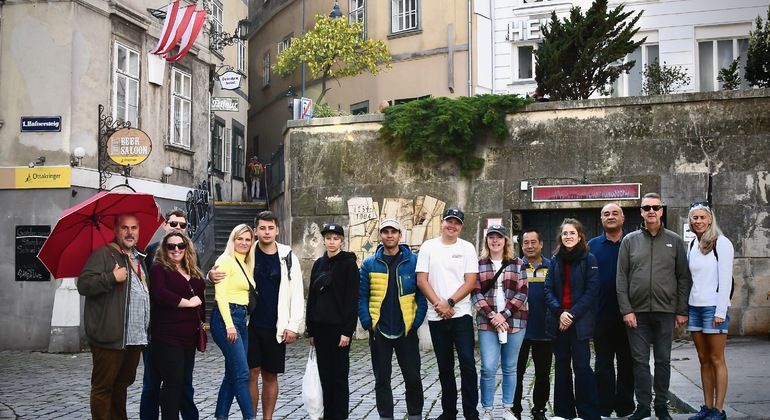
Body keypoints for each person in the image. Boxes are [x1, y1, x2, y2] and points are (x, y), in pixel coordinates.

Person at [617, 192, 692, 420]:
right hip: (636, 314)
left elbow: (683, 277)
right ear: (641, 212)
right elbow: (621, 277)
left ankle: (661, 405)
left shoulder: (675, 240)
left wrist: (681, 310)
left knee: (663, 360)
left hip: (665, 312)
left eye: (655, 207)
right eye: (646, 207)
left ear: (661, 211)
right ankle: (642, 406)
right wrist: (626, 310)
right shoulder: (630, 241)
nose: (651, 211)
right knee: (639, 361)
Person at [77, 214, 149, 420]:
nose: (129, 232)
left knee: (121, 386)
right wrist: (111, 277)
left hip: (134, 337)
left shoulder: (138, 257)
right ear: (116, 231)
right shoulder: (103, 255)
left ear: (139, 231)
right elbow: (84, 285)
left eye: (134, 228)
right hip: (110, 336)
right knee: (103, 388)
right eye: (124, 228)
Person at [359, 219, 427, 420]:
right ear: (380, 235)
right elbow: (362, 295)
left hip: (406, 329)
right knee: (382, 379)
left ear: (400, 235)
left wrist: (416, 322)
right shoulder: (369, 263)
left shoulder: (413, 261)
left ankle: (415, 414)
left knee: (413, 377)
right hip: (380, 330)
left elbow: (421, 294)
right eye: (385, 232)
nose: (389, 235)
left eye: (393, 232)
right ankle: (385, 416)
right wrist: (367, 322)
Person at [416, 207, 480, 420]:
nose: (452, 226)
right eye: (449, 221)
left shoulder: (467, 247)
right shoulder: (428, 247)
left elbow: (470, 281)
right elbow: (421, 280)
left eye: (457, 223)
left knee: (468, 364)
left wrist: (450, 302)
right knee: (445, 367)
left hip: (461, 315)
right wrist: (438, 304)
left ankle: (471, 412)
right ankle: (448, 412)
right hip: (437, 316)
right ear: (442, 222)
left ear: (461, 226)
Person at [141, 209, 200, 420]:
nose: (177, 228)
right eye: (173, 223)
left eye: (182, 225)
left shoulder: (191, 255)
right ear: (165, 225)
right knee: (152, 384)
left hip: (185, 333)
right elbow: (155, 292)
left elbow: (198, 286)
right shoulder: (152, 253)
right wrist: (186, 302)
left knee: (183, 383)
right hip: (157, 330)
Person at [245, 211, 304, 419]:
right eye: (262, 228)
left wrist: (293, 325)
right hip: (250, 324)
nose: (266, 232)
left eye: (270, 228)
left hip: (276, 325)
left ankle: (267, 418)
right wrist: (210, 275)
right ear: (255, 231)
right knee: (250, 374)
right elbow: (223, 266)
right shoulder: (246, 252)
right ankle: (250, 416)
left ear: (277, 231)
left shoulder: (287, 256)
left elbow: (297, 292)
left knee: (270, 375)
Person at [544, 218, 600, 420]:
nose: (568, 237)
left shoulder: (588, 259)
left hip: (579, 323)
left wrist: (572, 315)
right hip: (558, 322)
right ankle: (563, 412)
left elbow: (591, 291)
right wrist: (560, 313)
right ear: (561, 236)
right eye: (565, 233)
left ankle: (588, 413)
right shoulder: (555, 260)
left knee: (582, 367)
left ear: (579, 236)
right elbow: (548, 289)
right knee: (561, 366)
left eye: (572, 233)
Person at [471, 225, 528, 420]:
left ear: (505, 241)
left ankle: (507, 408)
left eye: (499, 237)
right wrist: (492, 316)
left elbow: (523, 292)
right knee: (488, 366)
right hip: (488, 323)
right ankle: (487, 409)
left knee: (510, 367)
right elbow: (475, 293)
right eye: (491, 237)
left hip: (515, 321)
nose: (495, 241)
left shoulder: (517, 263)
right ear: (486, 241)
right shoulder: (478, 264)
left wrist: (504, 315)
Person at [685, 202, 734, 420]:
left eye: (702, 217)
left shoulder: (721, 243)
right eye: (694, 218)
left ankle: (719, 409)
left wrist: (720, 312)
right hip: (695, 307)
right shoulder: (692, 244)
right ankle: (706, 407)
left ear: (710, 219)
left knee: (716, 359)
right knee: (703, 358)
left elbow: (726, 281)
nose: (698, 221)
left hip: (714, 308)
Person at [586, 203, 635, 418]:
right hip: (601, 315)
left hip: (631, 315)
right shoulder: (592, 246)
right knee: (603, 364)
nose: (611, 216)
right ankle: (604, 407)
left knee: (628, 363)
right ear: (601, 219)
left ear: (623, 218)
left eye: (615, 213)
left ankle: (625, 407)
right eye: (606, 214)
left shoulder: (634, 243)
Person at [306, 223, 359, 420]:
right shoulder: (318, 264)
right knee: (325, 376)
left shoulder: (348, 264)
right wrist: (310, 330)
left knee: (339, 376)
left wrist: (347, 331)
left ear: (342, 241)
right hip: (320, 329)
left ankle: (340, 415)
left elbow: (351, 299)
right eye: (328, 238)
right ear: (324, 240)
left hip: (339, 330)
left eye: (335, 238)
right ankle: (328, 415)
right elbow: (312, 297)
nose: (331, 241)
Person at [210, 224, 257, 420]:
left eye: (247, 239)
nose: (244, 243)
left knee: (232, 373)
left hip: (240, 319)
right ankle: (250, 417)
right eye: (240, 238)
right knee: (242, 373)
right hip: (225, 319)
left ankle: (220, 416)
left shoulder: (245, 262)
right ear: (233, 239)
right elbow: (221, 296)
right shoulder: (225, 261)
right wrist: (229, 325)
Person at [512, 229, 552, 420]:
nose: (529, 246)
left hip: (543, 330)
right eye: (526, 243)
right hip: (518, 329)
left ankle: (539, 410)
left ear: (541, 244)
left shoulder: (552, 267)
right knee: (515, 373)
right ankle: (515, 409)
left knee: (543, 373)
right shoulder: (513, 267)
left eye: (533, 242)